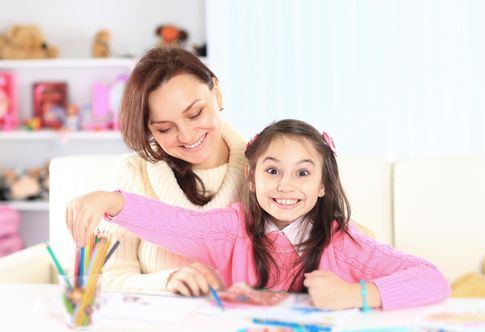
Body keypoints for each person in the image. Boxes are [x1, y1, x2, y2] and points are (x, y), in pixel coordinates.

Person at [67, 119, 450, 310]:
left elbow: (432, 279)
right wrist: (111, 201)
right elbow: (174, 223)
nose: (286, 185)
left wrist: (355, 293)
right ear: (251, 178)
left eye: (302, 172)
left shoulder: (343, 242)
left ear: (322, 185)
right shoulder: (231, 228)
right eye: (272, 170)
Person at [79, 46, 247, 295]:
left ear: (217, 93)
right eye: (165, 129)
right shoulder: (134, 172)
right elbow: (108, 277)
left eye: (195, 113)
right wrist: (166, 281)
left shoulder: (268, 169)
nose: (187, 136)